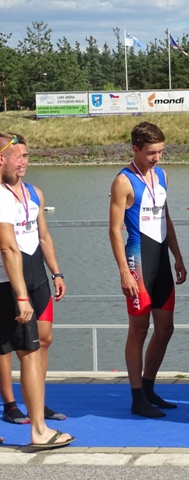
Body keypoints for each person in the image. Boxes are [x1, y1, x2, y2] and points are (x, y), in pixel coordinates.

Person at [109, 122, 187, 418]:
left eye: (161, 151)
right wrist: (123, 272)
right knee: (139, 329)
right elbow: (114, 230)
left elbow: (166, 217)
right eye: (151, 153)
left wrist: (177, 256)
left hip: (162, 260)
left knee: (165, 329)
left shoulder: (162, 175)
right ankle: (137, 396)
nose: (157, 157)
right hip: (138, 261)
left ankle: (149, 386)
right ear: (135, 149)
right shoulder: (123, 181)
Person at [0, 132, 74, 447]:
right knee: (24, 352)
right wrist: (21, 296)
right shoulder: (2, 196)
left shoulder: (33, 193)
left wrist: (56, 271)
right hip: (11, 282)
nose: (23, 162)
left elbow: (43, 235)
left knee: (40, 344)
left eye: (27, 156)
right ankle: (34, 426)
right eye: (18, 156)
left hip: (35, 276)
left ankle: (38, 409)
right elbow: (8, 249)